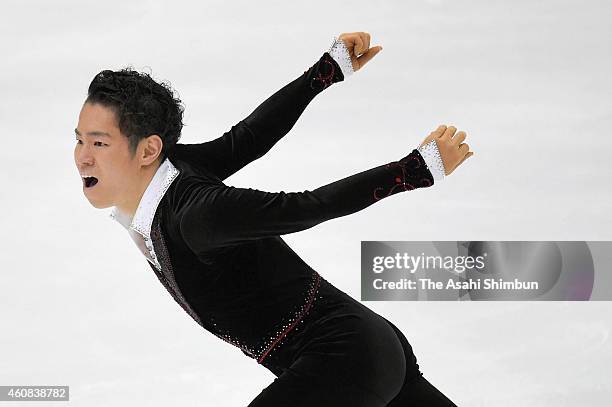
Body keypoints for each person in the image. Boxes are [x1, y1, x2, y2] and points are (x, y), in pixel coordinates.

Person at [74, 31, 472, 406]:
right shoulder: (176, 169)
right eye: (79, 139)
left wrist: (412, 171)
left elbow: (307, 206)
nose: (83, 157)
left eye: (99, 143)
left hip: (344, 357)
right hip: (360, 348)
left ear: (147, 151)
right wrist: (325, 72)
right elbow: (247, 137)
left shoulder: (197, 216)